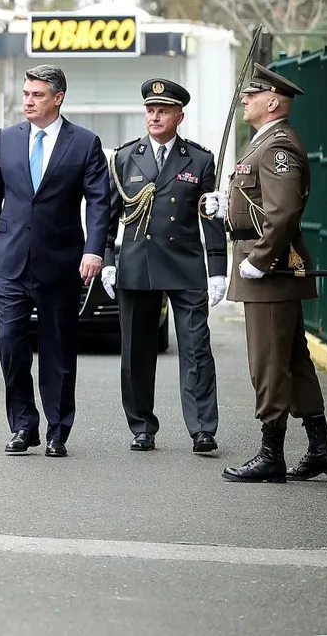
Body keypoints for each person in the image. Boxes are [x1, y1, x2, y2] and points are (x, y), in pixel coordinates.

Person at [202, 65, 327, 483]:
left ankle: (272, 454)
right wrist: (226, 207)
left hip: (272, 269)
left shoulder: (278, 146)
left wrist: (259, 260)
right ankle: (320, 448)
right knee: (294, 360)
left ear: (274, 102)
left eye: (253, 94)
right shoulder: (264, 142)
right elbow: (260, 203)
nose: (245, 100)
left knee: (267, 362)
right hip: (268, 264)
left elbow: (282, 214)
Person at [0, 64, 109, 458]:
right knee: (10, 346)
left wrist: (94, 249)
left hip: (61, 263)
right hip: (9, 262)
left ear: (57, 98)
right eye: (26, 94)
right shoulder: (7, 140)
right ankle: (23, 425)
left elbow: (100, 202)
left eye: (37, 95)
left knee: (58, 351)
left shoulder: (84, 143)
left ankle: (58, 430)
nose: (28, 101)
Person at [101, 79, 226, 454]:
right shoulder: (124, 157)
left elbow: (211, 216)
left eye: (163, 110)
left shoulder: (200, 159)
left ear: (179, 116)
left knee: (196, 348)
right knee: (136, 351)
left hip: (185, 261)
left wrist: (217, 267)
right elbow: (108, 218)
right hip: (138, 263)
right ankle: (142, 426)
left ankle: (202, 428)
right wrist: (108, 261)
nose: (155, 116)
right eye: (150, 110)